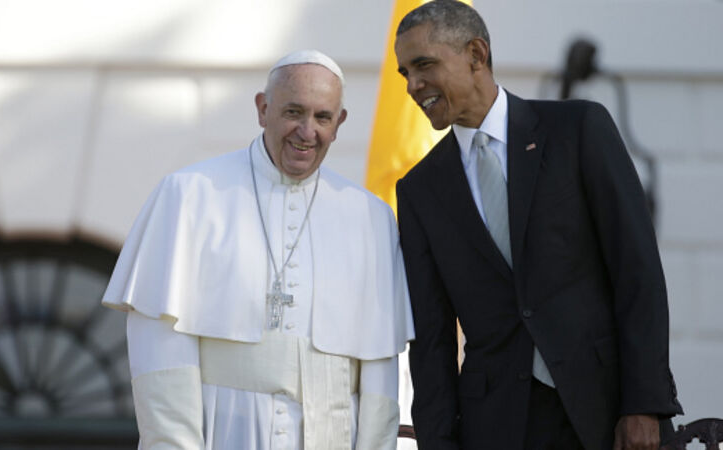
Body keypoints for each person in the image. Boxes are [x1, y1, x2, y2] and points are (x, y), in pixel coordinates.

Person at [392, 2, 682, 449]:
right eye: (405, 73)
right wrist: (439, 442)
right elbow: (431, 340)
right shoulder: (419, 189)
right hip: (497, 428)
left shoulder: (578, 129)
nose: (413, 85)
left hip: (609, 415)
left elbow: (637, 272)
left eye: (424, 65)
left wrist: (644, 403)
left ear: (476, 54)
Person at [101, 50, 414, 450]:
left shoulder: (371, 217)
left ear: (339, 123)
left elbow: (381, 366)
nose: (307, 132)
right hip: (226, 431)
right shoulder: (189, 196)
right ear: (263, 109)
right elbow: (161, 353)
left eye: (323, 117)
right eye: (293, 112)